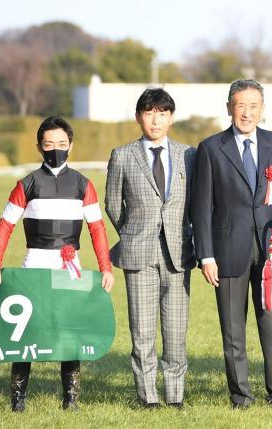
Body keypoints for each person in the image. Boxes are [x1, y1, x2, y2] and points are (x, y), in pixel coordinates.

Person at [0, 116, 115, 412]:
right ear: (39, 147)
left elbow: (97, 228)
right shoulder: (27, 183)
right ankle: (18, 401)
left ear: (71, 145)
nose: (55, 149)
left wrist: (106, 268)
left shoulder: (83, 184)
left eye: (61, 143)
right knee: (26, 333)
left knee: (70, 333)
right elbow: (5, 224)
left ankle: (71, 401)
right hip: (34, 264)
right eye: (48, 144)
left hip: (69, 266)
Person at [191, 79, 272, 408]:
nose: (247, 113)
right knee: (233, 330)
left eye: (254, 106)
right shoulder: (211, 148)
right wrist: (206, 255)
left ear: (262, 109)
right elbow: (201, 206)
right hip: (227, 252)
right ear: (229, 108)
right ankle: (241, 396)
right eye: (241, 105)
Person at [105, 88, 196, 409]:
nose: (155, 120)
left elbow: (196, 204)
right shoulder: (122, 155)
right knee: (142, 332)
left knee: (175, 332)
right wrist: (132, 233)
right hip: (138, 253)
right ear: (138, 117)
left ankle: (175, 396)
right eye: (149, 113)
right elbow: (113, 204)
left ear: (171, 118)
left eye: (162, 113)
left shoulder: (189, 155)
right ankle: (148, 398)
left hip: (179, 253)